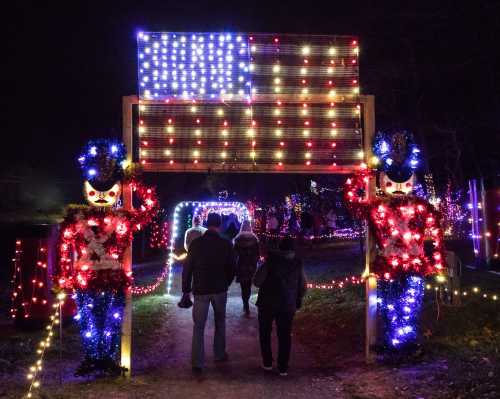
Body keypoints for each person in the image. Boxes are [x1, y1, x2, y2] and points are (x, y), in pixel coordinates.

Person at [182, 213, 236, 374]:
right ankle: (219, 354)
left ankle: (197, 361)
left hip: (201, 289)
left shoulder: (196, 244)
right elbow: (232, 268)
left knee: (198, 326)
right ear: (219, 225)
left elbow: (187, 269)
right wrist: (225, 283)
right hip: (219, 289)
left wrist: (186, 290)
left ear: (207, 223)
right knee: (220, 322)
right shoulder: (226, 244)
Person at [253, 236, 307, 376]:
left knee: (265, 333)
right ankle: (283, 366)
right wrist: (298, 297)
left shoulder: (270, 262)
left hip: (267, 303)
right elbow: (303, 285)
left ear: (280, 247)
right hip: (287, 304)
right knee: (285, 335)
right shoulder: (297, 263)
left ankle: (267, 363)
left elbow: (257, 281)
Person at [233, 220, 260, 317]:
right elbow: (257, 255)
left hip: (241, 265)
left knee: (243, 287)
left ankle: (245, 305)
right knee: (248, 286)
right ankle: (246, 304)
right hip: (251, 266)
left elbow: (234, 255)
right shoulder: (254, 239)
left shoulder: (238, 239)